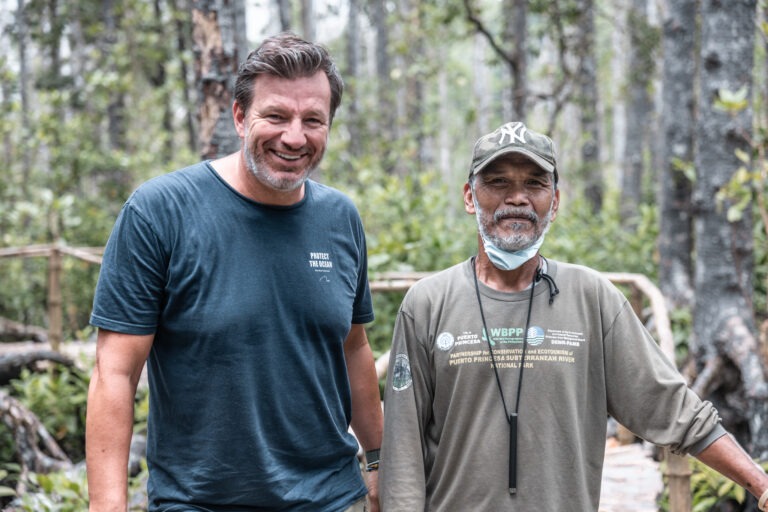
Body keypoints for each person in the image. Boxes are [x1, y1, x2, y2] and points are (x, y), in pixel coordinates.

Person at [379, 121, 768, 511]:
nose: (517, 198)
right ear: (469, 197)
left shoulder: (592, 299)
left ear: (556, 200)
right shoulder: (427, 304)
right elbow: (403, 450)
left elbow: (675, 411)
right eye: (498, 182)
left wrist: (760, 485)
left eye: (534, 184)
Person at [86, 32, 383, 512]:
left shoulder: (340, 218)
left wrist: (377, 463)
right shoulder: (160, 212)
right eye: (276, 116)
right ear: (240, 116)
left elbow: (353, 348)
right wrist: (107, 506)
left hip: (329, 497)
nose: (294, 136)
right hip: (200, 501)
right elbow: (114, 373)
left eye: (313, 120)